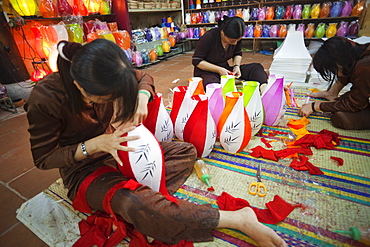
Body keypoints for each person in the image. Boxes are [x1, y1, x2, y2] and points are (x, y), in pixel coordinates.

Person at [25, 39, 286, 247]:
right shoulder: (45, 99)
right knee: (139, 206)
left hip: (118, 149)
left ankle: (138, 198)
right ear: (81, 88)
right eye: (105, 99)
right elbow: (44, 159)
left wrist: (140, 99)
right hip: (84, 169)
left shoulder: (106, 68)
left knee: (187, 151)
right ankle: (237, 219)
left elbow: (143, 77)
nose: (109, 102)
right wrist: (95, 144)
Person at [298, 36, 370, 130]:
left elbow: (355, 104)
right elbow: (346, 69)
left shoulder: (363, 67)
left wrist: (316, 105)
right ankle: (331, 93)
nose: (336, 74)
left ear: (338, 65)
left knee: (340, 117)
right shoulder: (356, 50)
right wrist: (332, 95)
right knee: (338, 103)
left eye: (333, 70)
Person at [192, 16, 268, 90]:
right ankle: (228, 83)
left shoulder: (236, 37)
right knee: (212, 84)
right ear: (222, 33)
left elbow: (237, 53)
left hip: (225, 70)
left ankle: (263, 87)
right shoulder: (209, 37)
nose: (235, 43)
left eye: (237, 41)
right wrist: (219, 70)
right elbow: (197, 61)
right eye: (232, 41)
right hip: (207, 72)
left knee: (256, 68)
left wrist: (236, 66)